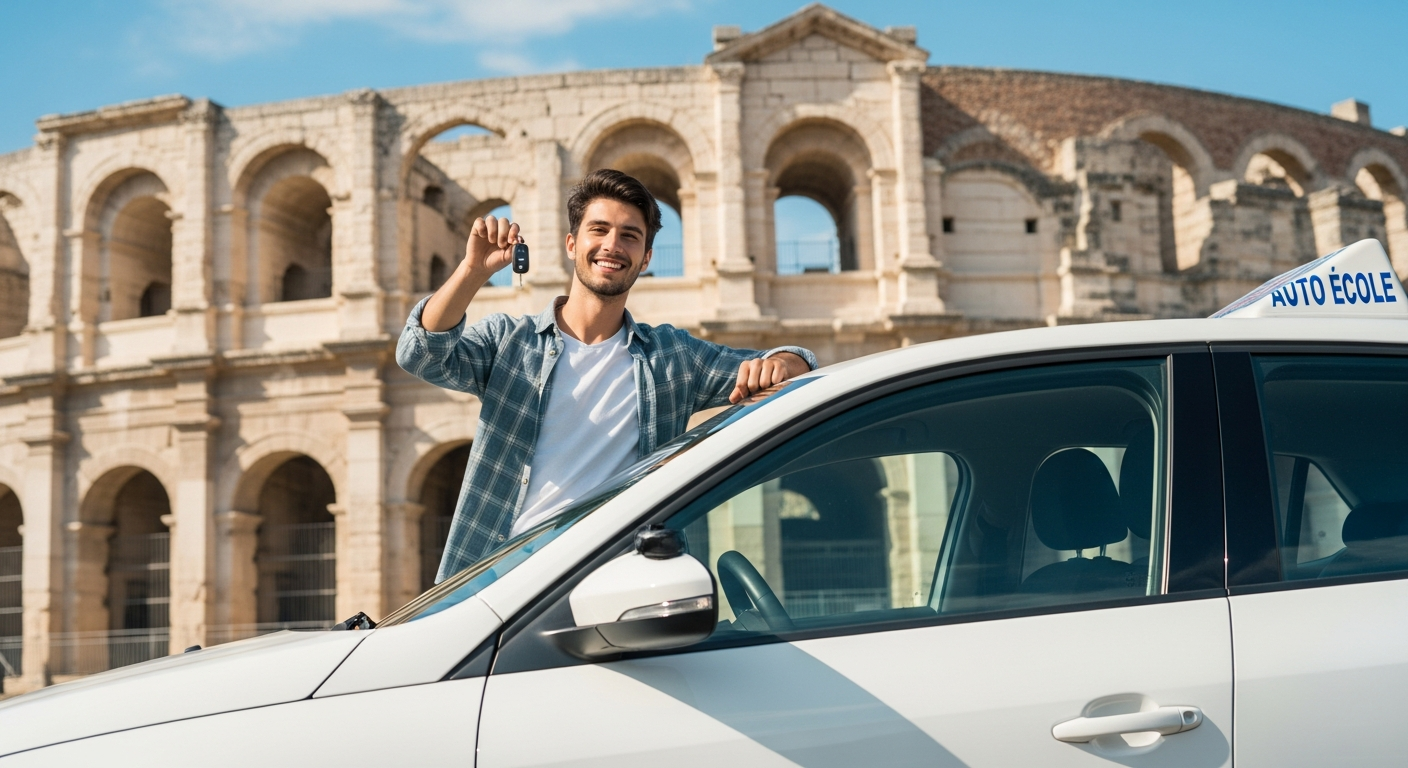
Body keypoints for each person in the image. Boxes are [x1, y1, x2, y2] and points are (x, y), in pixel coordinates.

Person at [397, 169, 818, 581]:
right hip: (502, 580)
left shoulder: (672, 358)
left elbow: (792, 364)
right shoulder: (510, 340)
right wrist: (471, 272)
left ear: (646, 257)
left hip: (616, 582)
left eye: (629, 236)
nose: (612, 246)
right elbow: (420, 354)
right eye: (598, 230)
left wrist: (784, 363)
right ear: (571, 243)